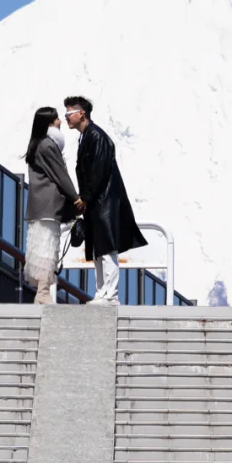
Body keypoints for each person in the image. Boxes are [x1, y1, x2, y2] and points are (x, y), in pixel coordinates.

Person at [64, 95, 147, 305]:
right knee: (100, 248)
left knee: (107, 247)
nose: (66, 117)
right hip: (98, 202)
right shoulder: (87, 136)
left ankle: (110, 294)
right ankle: (102, 292)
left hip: (104, 201)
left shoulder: (96, 136)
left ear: (81, 113)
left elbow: (98, 171)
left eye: (69, 113)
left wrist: (86, 197)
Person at [23, 106, 81, 304]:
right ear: (49, 123)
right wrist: (76, 198)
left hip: (38, 205)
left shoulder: (37, 144)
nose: (60, 121)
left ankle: (42, 290)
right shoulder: (48, 146)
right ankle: (43, 292)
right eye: (56, 119)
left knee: (40, 247)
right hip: (49, 205)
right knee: (48, 247)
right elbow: (60, 175)